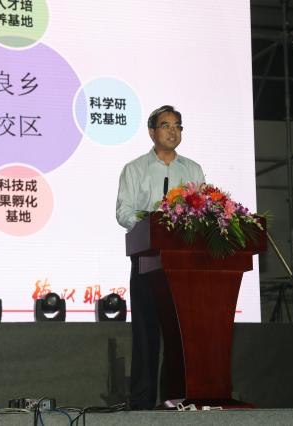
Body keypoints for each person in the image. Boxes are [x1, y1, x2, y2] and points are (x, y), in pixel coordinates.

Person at [116, 105, 205, 409]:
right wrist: (153, 224)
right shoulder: (135, 169)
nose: (173, 131)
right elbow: (124, 212)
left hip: (184, 263)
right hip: (147, 259)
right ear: (152, 132)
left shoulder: (192, 170)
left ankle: (177, 399)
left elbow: (203, 210)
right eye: (166, 125)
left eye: (178, 125)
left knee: (181, 334)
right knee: (146, 331)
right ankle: (142, 404)